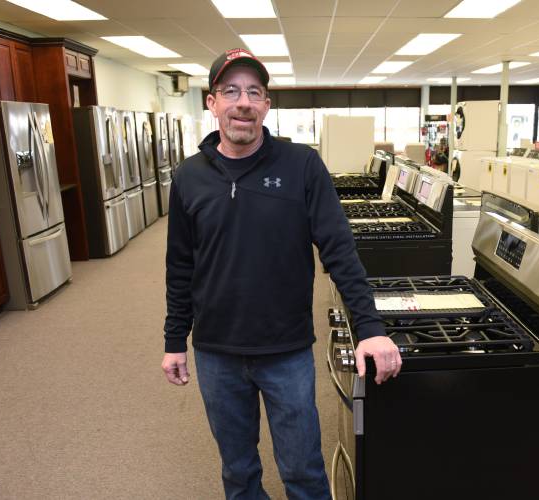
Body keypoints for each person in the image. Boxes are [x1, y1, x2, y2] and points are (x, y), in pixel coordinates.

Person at [160, 48, 402, 499]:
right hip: (216, 351)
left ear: (266, 105)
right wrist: (176, 339)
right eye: (230, 90)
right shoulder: (188, 177)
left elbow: (340, 251)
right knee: (238, 472)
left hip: (285, 350)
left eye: (254, 91)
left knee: (303, 471)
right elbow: (180, 266)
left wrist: (369, 327)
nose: (243, 102)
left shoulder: (301, 166)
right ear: (211, 102)